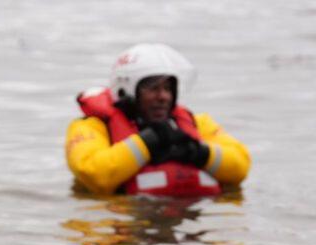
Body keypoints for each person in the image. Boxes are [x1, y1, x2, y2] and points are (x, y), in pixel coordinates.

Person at [66, 43, 251, 197]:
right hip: (124, 230)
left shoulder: (195, 123)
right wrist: (149, 142)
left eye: (168, 88)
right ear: (126, 89)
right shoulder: (91, 126)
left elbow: (240, 165)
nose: (163, 97)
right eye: (153, 88)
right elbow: (94, 173)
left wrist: (197, 152)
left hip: (185, 227)